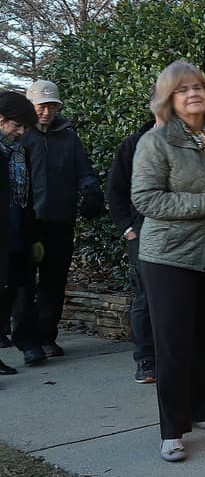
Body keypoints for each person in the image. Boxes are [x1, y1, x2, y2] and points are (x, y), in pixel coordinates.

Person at [131, 61, 205, 462]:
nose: (193, 94)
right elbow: (146, 199)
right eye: (182, 89)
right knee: (174, 343)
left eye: (198, 87)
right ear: (169, 99)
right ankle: (172, 430)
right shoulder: (156, 142)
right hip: (168, 255)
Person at [13, 80, 104, 366]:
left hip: (60, 220)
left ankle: (47, 336)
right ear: (30, 107)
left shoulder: (68, 137)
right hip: (28, 222)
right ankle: (28, 342)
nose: (47, 111)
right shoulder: (18, 137)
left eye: (52, 105)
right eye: (42, 105)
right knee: (25, 283)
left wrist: (91, 190)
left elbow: (83, 171)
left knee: (54, 281)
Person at [107, 117, 158, 383]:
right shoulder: (133, 144)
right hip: (142, 231)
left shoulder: (194, 140)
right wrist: (127, 229)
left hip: (184, 234)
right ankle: (146, 359)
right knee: (145, 296)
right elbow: (114, 190)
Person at [0, 92, 39, 377]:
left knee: (13, 290)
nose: (21, 132)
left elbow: (26, 194)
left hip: (16, 232)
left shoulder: (17, 152)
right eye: (17, 125)